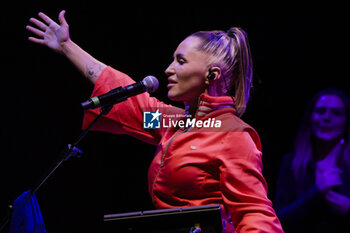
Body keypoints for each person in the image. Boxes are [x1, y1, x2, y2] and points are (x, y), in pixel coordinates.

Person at [26, 10, 283, 233]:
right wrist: (67, 46)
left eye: (180, 61)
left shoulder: (233, 135)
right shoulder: (175, 122)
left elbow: (255, 212)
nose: (168, 69)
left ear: (211, 75)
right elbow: (130, 99)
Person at [274, 88, 350, 233]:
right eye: (320, 111)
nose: (326, 118)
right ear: (310, 117)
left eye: (336, 113)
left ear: (346, 120)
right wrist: (317, 192)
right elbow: (279, 220)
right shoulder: (291, 163)